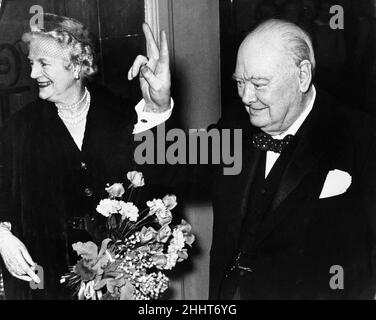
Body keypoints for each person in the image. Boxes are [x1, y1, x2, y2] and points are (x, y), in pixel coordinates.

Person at [0, 13, 171, 299]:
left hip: (115, 282)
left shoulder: (122, 115)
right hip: (44, 285)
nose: (32, 74)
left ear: (78, 65)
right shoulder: (18, 129)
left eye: (43, 63)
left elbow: (161, 182)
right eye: (31, 63)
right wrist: (1, 236)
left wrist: (158, 109)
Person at [210, 19, 376, 299]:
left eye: (259, 84)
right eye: (239, 83)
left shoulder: (361, 135)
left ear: (302, 76)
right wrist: (157, 106)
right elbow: (175, 167)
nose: (246, 97)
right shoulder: (234, 124)